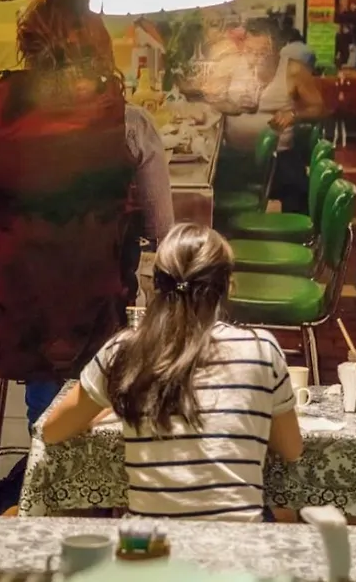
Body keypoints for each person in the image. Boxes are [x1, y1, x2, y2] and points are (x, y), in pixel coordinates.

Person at [0, 0, 174, 427]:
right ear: (98, 43)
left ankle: (44, 447)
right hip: (106, 317)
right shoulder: (129, 124)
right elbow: (163, 232)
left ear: (28, 46)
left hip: (25, 319)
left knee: (46, 411)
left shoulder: (2, 117)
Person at [42, 223, 303, 521]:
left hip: (153, 546)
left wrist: (109, 406)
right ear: (228, 285)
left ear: (156, 285)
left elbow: (52, 431)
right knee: (286, 517)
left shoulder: (124, 350)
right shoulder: (261, 349)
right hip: (236, 546)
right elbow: (292, 449)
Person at [210, 18, 325, 213]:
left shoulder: (293, 70)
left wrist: (294, 113)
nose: (255, 58)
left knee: (296, 190)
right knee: (211, 187)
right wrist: (228, 105)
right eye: (250, 51)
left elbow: (319, 108)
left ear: (278, 49)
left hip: (278, 156)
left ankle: (290, 228)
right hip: (235, 154)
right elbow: (213, 97)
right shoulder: (231, 66)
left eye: (262, 53)